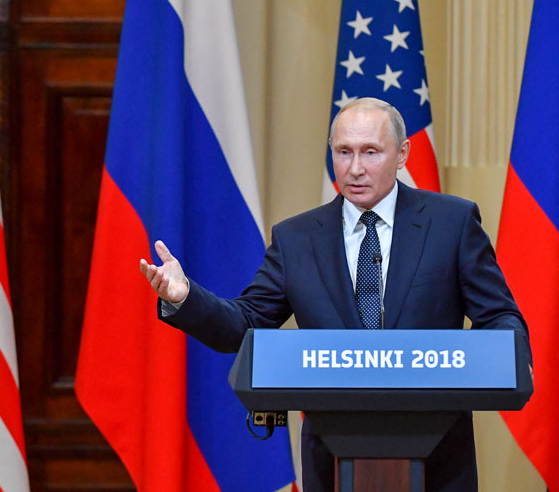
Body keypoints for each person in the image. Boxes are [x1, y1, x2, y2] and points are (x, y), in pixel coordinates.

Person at [140, 97, 530, 492]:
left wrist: (512, 358)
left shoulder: (452, 223)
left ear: (402, 154)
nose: (355, 168)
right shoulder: (297, 239)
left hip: (440, 456)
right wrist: (184, 297)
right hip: (333, 457)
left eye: (370, 152)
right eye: (344, 152)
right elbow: (244, 324)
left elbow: (498, 314)